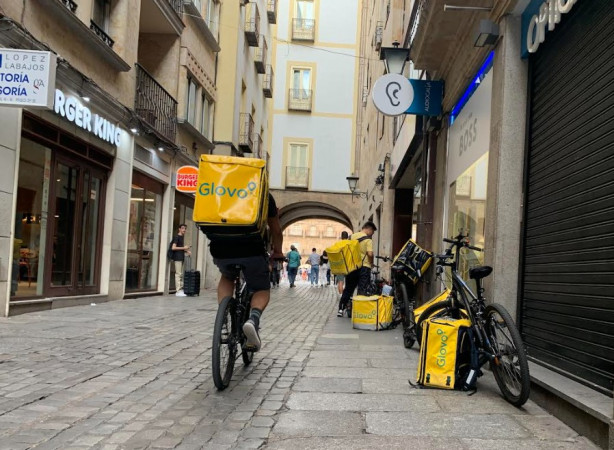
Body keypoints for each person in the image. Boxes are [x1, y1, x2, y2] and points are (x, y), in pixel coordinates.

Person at [209, 193, 283, 352]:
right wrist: (278, 252)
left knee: (227, 276)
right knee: (261, 288)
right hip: (251, 248)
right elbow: (276, 230)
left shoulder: (219, 185)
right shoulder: (263, 192)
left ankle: (224, 318)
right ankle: (253, 319)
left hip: (220, 246)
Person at [338, 222, 376, 317]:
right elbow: (370, 254)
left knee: (348, 288)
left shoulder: (351, 237)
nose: (372, 234)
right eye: (372, 232)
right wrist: (371, 263)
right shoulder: (368, 240)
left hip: (352, 266)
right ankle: (359, 311)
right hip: (364, 267)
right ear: (369, 229)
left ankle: (341, 309)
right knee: (362, 289)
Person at [171, 224, 191, 297]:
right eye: (182, 228)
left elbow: (180, 248)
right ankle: (178, 290)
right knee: (178, 274)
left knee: (181, 274)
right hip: (177, 257)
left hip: (181, 257)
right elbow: (173, 247)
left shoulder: (181, 237)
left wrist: (186, 250)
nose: (184, 230)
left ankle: (181, 289)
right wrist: (184, 248)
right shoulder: (176, 237)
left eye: (185, 228)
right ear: (179, 229)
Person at [336, 231, 349, 298]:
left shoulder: (338, 244)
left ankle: (341, 295)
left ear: (341, 237)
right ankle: (346, 295)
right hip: (348, 264)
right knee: (348, 281)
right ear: (347, 236)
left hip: (340, 264)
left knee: (340, 281)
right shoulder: (349, 244)